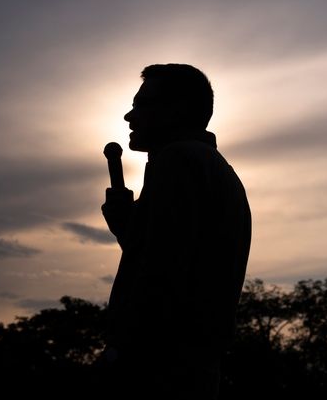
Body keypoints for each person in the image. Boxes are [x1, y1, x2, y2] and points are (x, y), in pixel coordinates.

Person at [101, 63, 251, 399]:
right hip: (191, 368)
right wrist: (129, 226)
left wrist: (120, 353)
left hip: (160, 371)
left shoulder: (177, 160)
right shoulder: (215, 168)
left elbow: (162, 272)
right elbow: (174, 252)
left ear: (177, 110)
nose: (129, 116)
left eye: (141, 105)